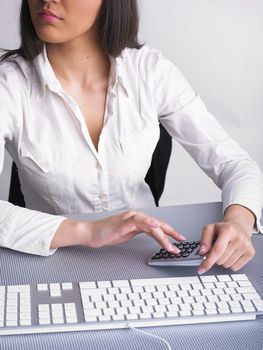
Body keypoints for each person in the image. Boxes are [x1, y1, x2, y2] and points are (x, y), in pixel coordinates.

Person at [0, 0, 262, 276]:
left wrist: (239, 221)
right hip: (53, 260)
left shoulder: (149, 71)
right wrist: (87, 231)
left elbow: (233, 162)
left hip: (147, 254)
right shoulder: (9, 85)